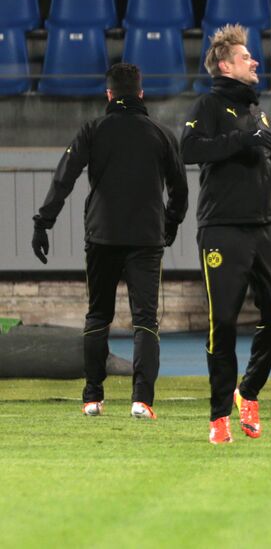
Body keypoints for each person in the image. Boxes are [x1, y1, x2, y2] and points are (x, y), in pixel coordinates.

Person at [181, 24, 271, 445]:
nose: (254, 61)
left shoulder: (256, 110)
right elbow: (189, 149)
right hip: (221, 228)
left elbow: (259, 155)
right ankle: (218, 416)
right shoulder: (208, 104)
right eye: (245, 57)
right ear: (225, 65)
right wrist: (243, 139)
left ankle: (248, 392)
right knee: (222, 321)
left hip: (261, 227)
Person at [32, 63, 188, 420]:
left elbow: (64, 178)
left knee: (98, 314)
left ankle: (92, 397)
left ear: (109, 95)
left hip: (101, 236)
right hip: (147, 239)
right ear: (141, 94)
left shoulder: (93, 130)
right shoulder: (161, 134)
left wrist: (44, 222)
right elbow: (180, 188)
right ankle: (141, 400)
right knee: (145, 319)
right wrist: (172, 222)